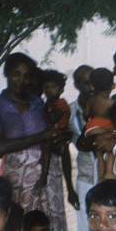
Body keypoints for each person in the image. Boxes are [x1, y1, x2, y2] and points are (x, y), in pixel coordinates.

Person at [0, 52, 71, 231]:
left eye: (26, 75)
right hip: (16, 177)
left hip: (43, 176)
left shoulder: (37, 103)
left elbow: (49, 137)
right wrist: (42, 136)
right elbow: (0, 147)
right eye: (16, 74)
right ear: (6, 74)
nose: (21, 80)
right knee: (18, 226)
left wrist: (54, 141)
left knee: (44, 228)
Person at [38, 69, 80, 212]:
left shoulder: (60, 103)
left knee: (53, 149)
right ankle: (52, 178)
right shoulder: (49, 103)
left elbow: (52, 119)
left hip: (59, 133)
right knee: (49, 148)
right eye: (46, 87)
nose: (49, 90)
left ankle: (45, 176)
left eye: (53, 87)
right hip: (55, 133)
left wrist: (45, 111)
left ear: (61, 90)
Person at [68, 65, 96, 231]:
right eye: (86, 83)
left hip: (108, 173)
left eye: (93, 82)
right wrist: (70, 188)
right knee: (86, 228)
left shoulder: (105, 107)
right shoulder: (69, 112)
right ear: (77, 85)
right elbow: (65, 149)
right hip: (85, 176)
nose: (90, 87)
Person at [85, 67, 116, 182]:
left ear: (92, 86)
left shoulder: (91, 100)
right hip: (105, 129)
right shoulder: (111, 103)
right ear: (112, 86)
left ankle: (99, 177)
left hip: (91, 129)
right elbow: (115, 118)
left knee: (99, 155)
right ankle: (108, 173)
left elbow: (86, 114)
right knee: (110, 151)